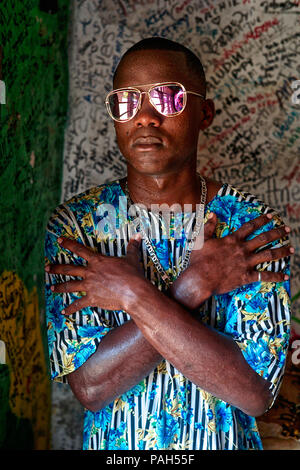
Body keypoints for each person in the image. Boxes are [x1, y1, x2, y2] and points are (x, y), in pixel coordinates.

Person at [44, 37, 292, 450]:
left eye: (168, 98)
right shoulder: (78, 227)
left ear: (204, 113)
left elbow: (254, 395)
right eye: (126, 101)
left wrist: (131, 296)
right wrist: (191, 288)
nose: (145, 117)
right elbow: (91, 388)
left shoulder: (250, 227)